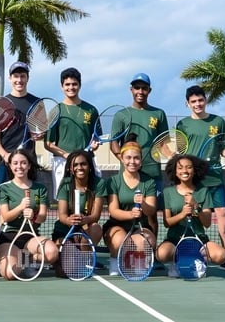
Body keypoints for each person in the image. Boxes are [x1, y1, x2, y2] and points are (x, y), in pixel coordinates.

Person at [176, 85, 225, 271]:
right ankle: (191, 253)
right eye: (193, 101)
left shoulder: (218, 122)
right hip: (193, 180)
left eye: (200, 100)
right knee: (193, 216)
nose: (197, 104)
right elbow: (181, 153)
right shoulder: (182, 125)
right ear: (187, 103)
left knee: (222, 214)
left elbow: (222, 149)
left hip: (215, 178)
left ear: (205, 100)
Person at [110, 73, 168, 244]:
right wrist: (127, 160)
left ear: (149, 90)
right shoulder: (121, 115)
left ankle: (153, 254)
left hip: (152, 173)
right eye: (137, 87)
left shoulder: (159, 114)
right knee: (124, 213)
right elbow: (114, 143)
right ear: (131, 90)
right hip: (127, 176)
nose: (140, 91)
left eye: (144, 88)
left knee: (151, 215)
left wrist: (173, 156)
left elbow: (162, 143)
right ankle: (123, 249)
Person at [157, 154, 225, 276]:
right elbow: (167, 223)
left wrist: (196, 206)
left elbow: (207, 223)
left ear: (194, 171)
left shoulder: (203, 191)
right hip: (175, 240)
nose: (184, 170)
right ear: (175, 171)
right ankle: (177, 261)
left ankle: (198, 259)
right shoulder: (168, 192)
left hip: (199, 239)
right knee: (161, 254)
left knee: (221, 256)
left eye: (189, 167)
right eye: (180, 168)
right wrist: (182, 214)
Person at [0, 149, 58, 280]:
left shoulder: (40, 188)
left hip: (31, 236)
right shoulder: (4, 188)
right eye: (15, 163)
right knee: (10, 273)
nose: (19, 167)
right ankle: (17, 258)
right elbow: (5, 217)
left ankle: (28, 258)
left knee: (52, 253)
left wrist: (34, 217)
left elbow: (42, 217)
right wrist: (20, 207)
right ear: (10, 166)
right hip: (9, 237)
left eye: (23, 163)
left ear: (29, 165)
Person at [104, 134, 157, 276]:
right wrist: (130, 214)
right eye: (128, 158)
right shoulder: (113, 181)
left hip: (140, 226)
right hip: (117, 226)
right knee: (119, 240)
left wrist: (143, 203)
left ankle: (138, 262)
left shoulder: (149, 182)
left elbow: (151, 210)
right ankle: (115, 261)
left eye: (136, 158)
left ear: (140, 160)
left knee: (146, 241)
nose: (132, 161)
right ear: (121, 159)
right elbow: (113, 210)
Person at [44, 68, 100, 199]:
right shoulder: (55, 110)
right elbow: (48, 144)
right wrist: (66, 155)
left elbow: (96, 138)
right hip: (62, 162)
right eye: (67, 84)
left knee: (90, 196)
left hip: (87, 161)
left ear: (79, 85)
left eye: (74, 84)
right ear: (62, 86)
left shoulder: (91, 110)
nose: (71, 87)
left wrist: (95, 145)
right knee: (64, 199)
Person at [52, 150, 106, 276]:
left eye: (83, 164)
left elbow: (95, 216)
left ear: (89, 166)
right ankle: (66, 260)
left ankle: (85, 259)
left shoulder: (99, 184)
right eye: (75, 165)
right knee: (65, 272)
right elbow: (62, 216)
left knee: (96, 228)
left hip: (85, 229)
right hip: (65, 231)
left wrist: (84, 220)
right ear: (70, 169)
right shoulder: (65, 184)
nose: (79, 168)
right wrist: (69, 220)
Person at [0, 61, 40, 184]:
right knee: (4, 202)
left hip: (29, 162)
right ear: (10, 78)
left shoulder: (37, 103)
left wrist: (39, 135)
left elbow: (39, 131)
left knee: (31, 201)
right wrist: (5, 155)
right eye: (16, 76)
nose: (19, 80)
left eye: (23, 76)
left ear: (27, 78)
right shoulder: (1, 103)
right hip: (6, 163)